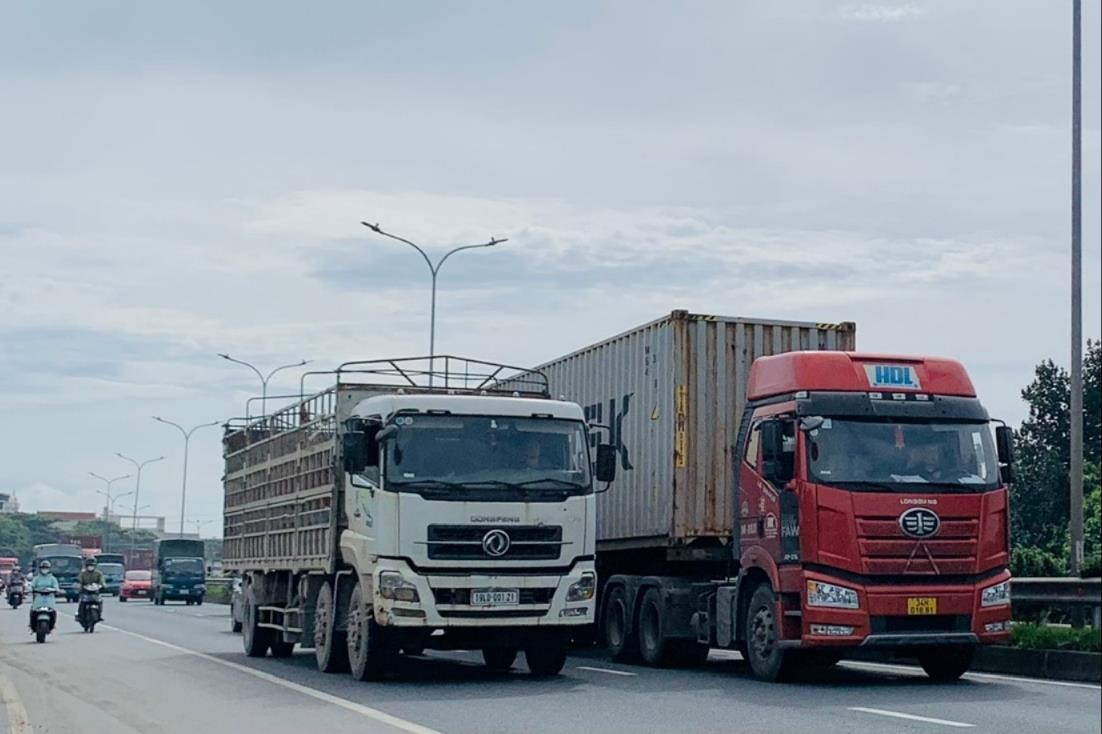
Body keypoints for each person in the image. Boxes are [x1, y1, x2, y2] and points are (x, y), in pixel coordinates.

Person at [29, 560, 61, 631]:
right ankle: (32, 625)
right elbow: (32, 586)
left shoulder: (52, 579)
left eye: (46, 568)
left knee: (53, 612)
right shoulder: (36, 578)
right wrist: (31, 589)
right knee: (33, 612)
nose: (44, 569)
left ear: (49, 569)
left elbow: (56, 587)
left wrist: (55, 590)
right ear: (40, 569)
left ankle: (52, 625)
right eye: (43, 568)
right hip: (38, 598)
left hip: (49, 598)